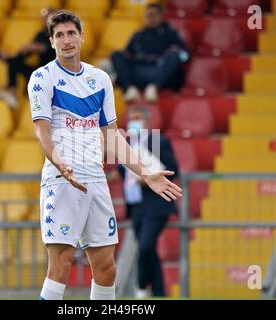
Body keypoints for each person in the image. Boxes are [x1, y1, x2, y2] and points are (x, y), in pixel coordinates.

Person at [28, 10, 182, 300]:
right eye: (59, 35)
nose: (66, 40)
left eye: (71, 33)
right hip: (62, 179)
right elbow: (42, 132)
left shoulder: (99, 79)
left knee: (106, 268)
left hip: (95, 180)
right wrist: (59, 162)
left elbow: (112, 137)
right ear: (51, 42)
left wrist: (144, 172)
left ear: (82, 36)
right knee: (60, 267)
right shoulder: (42, 78)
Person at [109, 106, 179, 298]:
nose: (134, 122)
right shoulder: (128, 145)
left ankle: (141, 285)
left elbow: (173, 169)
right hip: (135, 207)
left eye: (137, 118)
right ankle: (159, 292)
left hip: (156, 206)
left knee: (146, 246)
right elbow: (126, 170)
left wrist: (149, 180)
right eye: (131, 118)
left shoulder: (159, 142)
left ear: (147, 121)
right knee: (150, 251)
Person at [110, 3, 190, 103]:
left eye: (154, 15)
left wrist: (177, 53)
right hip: (138, 70)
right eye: (148, 16)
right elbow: (127, 54)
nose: (150, 18)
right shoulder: (138, 35)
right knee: (116, 55)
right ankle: (130, 89)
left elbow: (186, 56)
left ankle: (154, 88)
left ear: (161, 16)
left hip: (160, 71)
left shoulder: (170, 34)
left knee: (173, 55)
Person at [0, 7, 57, 108]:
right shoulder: (41, 34)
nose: (46, 21)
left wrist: (39, 47)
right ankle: (12, 92)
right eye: (44, 18)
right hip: (40, 71)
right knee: (13, 62)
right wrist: (19, 53)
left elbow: (56, 50)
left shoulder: (62, 34)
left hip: (53, 75)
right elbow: (29, 51)